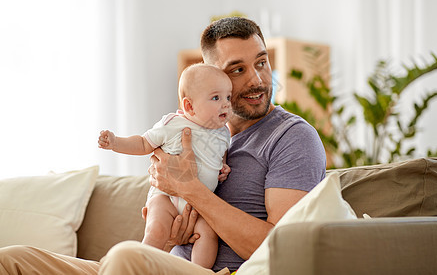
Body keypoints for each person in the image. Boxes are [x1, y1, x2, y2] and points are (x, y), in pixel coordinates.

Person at [0, 17, 326, 275]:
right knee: (13, 260)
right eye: (238, 70)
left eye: (262, 62)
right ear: (214, 77)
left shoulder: (292, 137)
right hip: (158, 265)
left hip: (218, 271)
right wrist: (171, 234)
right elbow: (163, 214)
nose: (256, 79)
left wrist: (191, 190)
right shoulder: (197, 134)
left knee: (127, 257)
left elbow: (284, 249)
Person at [98, 63, 232, 269]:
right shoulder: (173, 124)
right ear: (189, 106)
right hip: (166, 198)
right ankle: (142, 267)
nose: (225, 104)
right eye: (216, 98)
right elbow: (143, 143)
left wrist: (222, 168)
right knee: (157, 231)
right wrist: (116, 143)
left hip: (200, 205)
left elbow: (219, 156)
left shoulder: (223, 133)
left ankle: (198, 272)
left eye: (228, 97)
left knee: (209, 234)